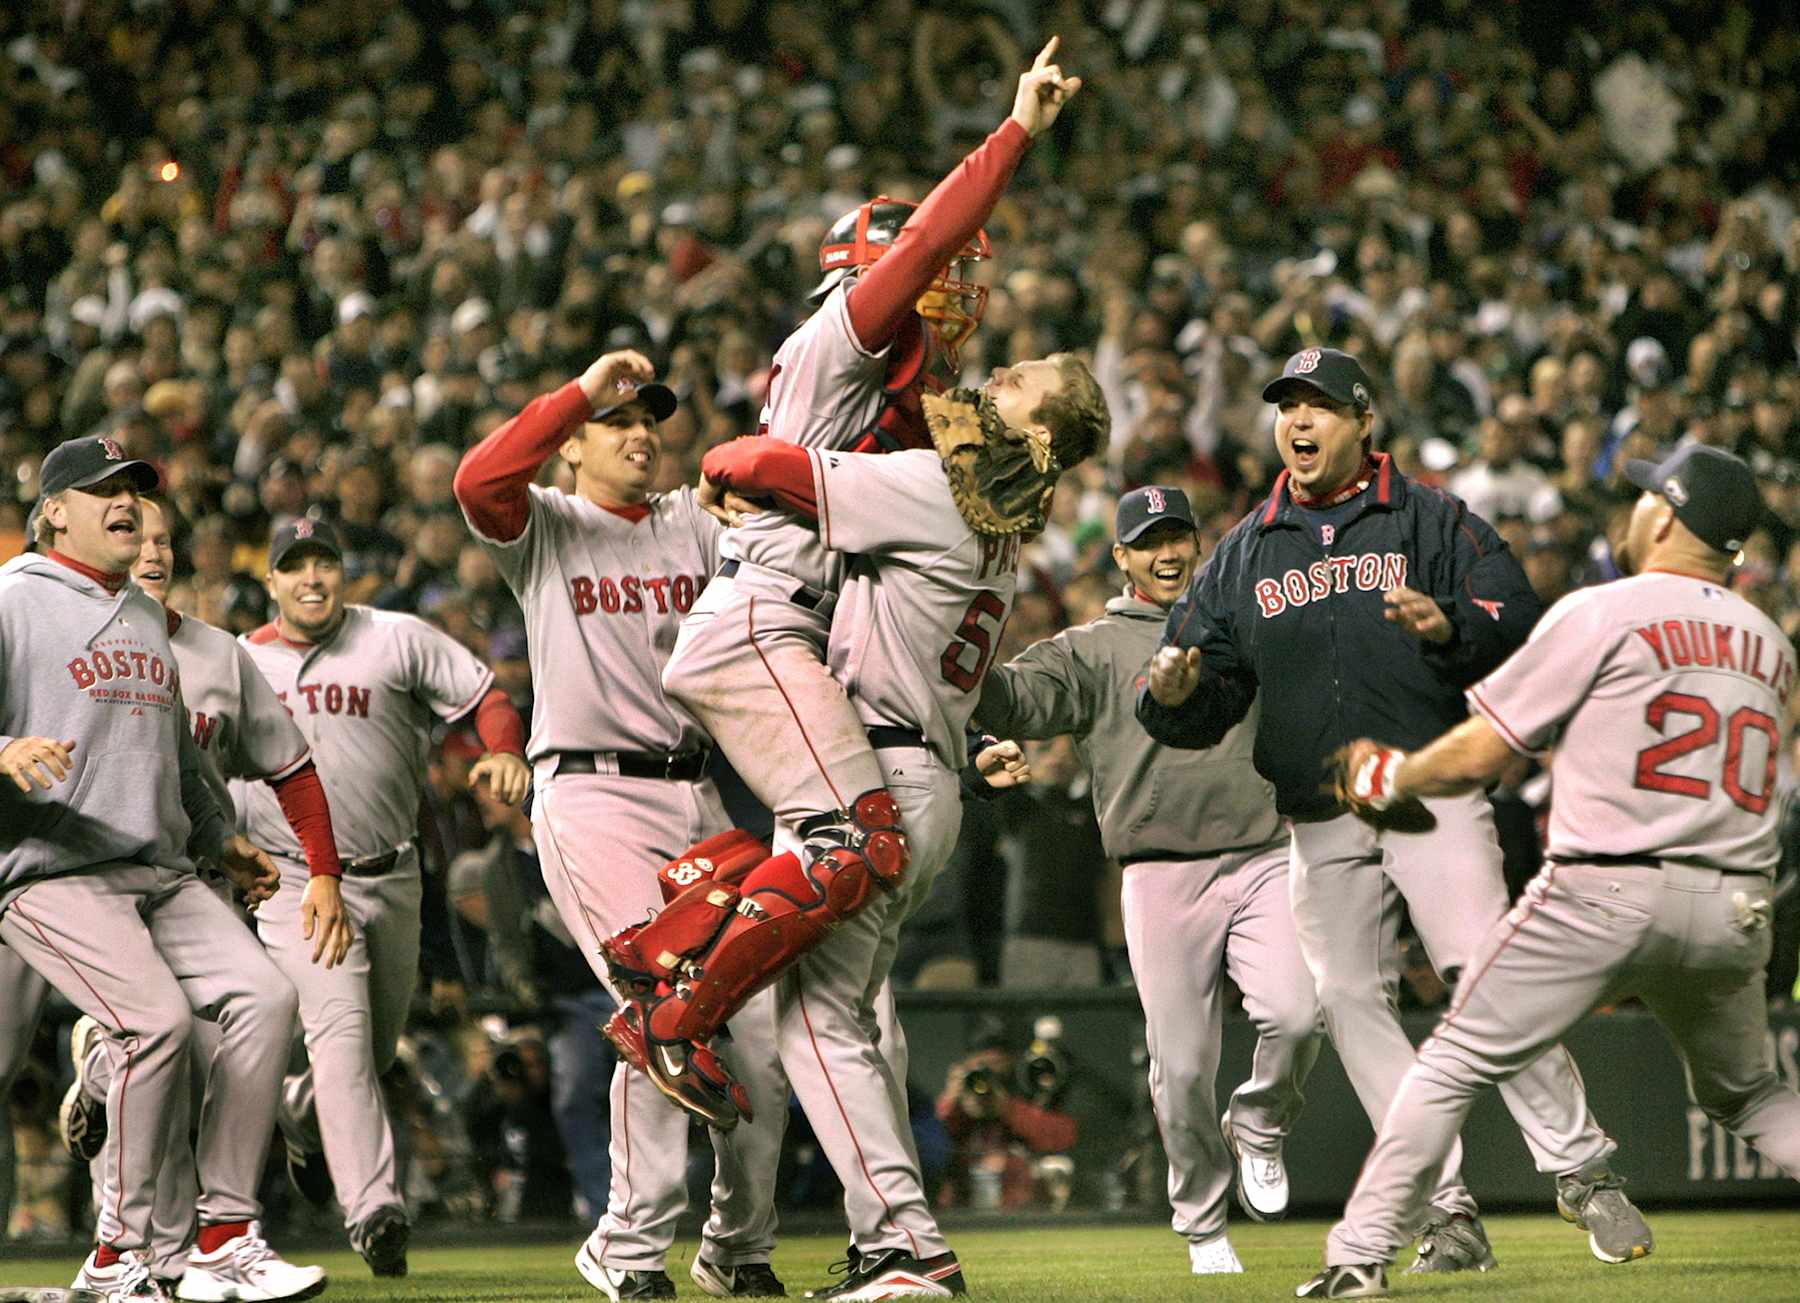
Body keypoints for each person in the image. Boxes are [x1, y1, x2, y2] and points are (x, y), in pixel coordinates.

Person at [637, 36, 1081, 1120]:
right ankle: (666, 1000)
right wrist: (1016, 129)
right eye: (935, 273)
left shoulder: (921, 405)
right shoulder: (848, 332)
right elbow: (930, 234)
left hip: (798, 633)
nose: (954, 284)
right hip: (767, 625)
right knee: (857, 841)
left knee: (823, 881)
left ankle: (674, 934)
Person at [609, 351, 1110, 1298]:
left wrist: (728, 479)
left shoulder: (940, 491)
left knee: (819, 1025)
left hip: (877, 767)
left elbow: (754, 462)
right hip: (919, 770)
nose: (1000, 374)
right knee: (844, 1023)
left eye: (1021, 383)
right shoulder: (999, 521)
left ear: (1037, 435)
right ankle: (897, 1240)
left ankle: (904, 1248)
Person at [1137, 348, 1649, 1272]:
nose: (1299, 420)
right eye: (1286, 405)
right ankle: (1445, 1210)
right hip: (1320, 813)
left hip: (1429, 787)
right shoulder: (1244, 550)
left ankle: (1583, 1169)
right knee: (1344, 999)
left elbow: (1519, 620)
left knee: (1480, 967)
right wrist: (1170, 694)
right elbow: (1196, 686)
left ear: (1362, 420)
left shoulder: (1431, 517)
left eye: (1319, 405)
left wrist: (1453, 625)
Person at [1297, 446, 1800, 1298]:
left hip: (1605, 886)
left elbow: (1488, 749)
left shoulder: (1603, 610)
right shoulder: (1770, 642)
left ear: (1666, 517)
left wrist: (1396, 774)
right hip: (1734, 905)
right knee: (1752, 1097)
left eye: (1646, 496)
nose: (1634, 508)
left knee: (1453, 1057)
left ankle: (1358, 1255)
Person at [453, 348, 784, 1302]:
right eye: (616, 422)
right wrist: (578, 394)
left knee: (755, 1024)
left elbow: (765, 486)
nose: (639, 432)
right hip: (590, 792)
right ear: (570, 448)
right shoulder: (548, 526)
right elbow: (479, 477)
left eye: (649, 419)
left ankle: (737, 1243)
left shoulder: (690, 522)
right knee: (663, 1001)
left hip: (701, 795)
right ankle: (630, 1245)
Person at [975, 485, 1323, 1274]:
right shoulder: (1096, 647)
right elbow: (1012, 695)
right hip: (1160, 870)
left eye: (1180, 536)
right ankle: (1203, 1223)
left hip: (1264, 853)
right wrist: (954, 644)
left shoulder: (1243, 621)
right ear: (1121, 556)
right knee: (1184, 1063)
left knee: (1300, 1014)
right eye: (1150, 540)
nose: (1169, 552)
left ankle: (1261, 1121)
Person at [0, 435, 304, 1303]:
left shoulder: (139, 610)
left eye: (135, 487)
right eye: (104, 490)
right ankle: (117, 1254)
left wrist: (219, 836)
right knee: (157, 1023)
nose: (126, 501)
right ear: (55, 508)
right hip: (49, 869)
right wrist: (4, 746)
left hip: (159, 869)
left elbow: (174, 750)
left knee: (266, 996)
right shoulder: (14, 599)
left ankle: (223, 1234)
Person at [46, 492, 352, 1298]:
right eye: (134, 533)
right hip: (67, 876)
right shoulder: (37, 609)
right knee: (157, 1037)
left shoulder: (197, 649)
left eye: (165, 539)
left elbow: (212, 767)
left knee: (222, 1028)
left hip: (182, 877)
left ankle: (199, 1244)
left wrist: (255, 848)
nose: (152, 550)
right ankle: (130, 1250)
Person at [237, 515, 529, 1278]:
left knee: (366, 1051)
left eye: (323, 563)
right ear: (270, 581)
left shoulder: (394, 637)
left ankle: (300, 1120)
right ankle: (375, 1210)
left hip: (392, 876)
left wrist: (502, 749)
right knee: (340, 1034)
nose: (311, 578)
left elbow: (482, 695)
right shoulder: (238, 664)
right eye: (293, 566)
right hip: (294, 879)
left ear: (343, 573)